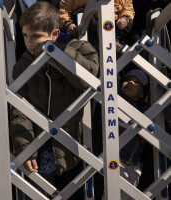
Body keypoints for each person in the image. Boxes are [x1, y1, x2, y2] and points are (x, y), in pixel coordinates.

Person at [9, 1, 99, 198]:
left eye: (36, 36)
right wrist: (26, 149)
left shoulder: (78, 48)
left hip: (71, 141)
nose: (30, 42)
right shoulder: (23, 65)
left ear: (55, 35)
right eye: (25, 35)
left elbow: (89, 76)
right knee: (40, 192)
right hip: (38, 143)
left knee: (72, 190)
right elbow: (19, 109)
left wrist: (57, 53)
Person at [118, 69, 149, 200]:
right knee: (113, 192)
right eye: (127, 79)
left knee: (129, 195)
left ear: (142, 94)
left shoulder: (145, 111)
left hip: (134, 163)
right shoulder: (115, 103)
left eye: (136, 82)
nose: (130, 82)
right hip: (116, 160)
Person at [59, 0, 135, 50]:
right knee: (81, 13)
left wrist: (125, 18)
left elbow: (128, 8)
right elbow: (64, 9)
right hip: (85, 28)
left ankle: (111, 42)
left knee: (118, 24)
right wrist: (68, 24)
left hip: (111, 25)